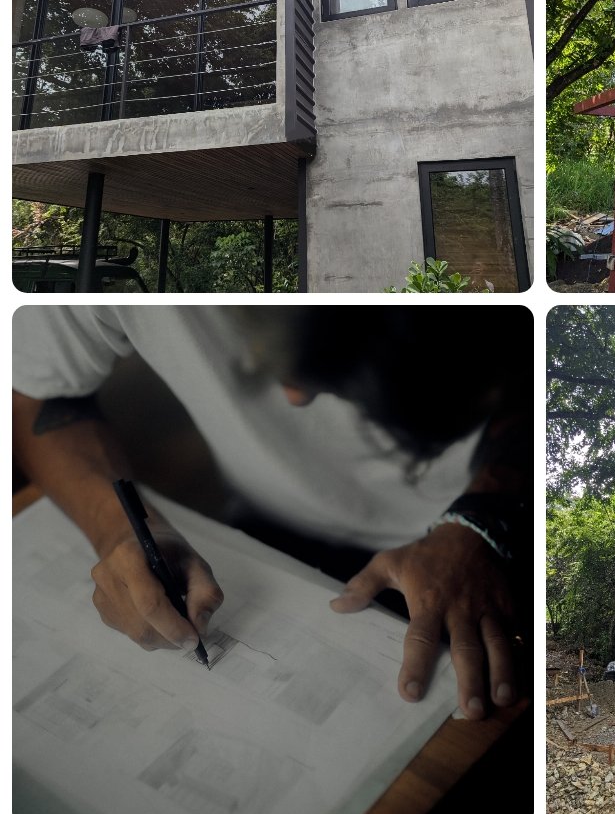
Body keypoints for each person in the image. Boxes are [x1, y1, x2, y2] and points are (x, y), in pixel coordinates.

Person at [11, 306, 531, 721]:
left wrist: (484, 518)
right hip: (264, 529)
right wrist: (118, 530)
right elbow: (36, 393)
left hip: (488, 529)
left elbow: (559, 384)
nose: (292, 395)